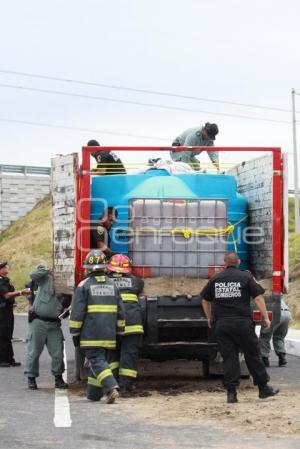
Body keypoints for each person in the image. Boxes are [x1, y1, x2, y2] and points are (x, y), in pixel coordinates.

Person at [200, 252, 279, 403]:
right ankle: (263, 389)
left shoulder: (215, 279)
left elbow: (205, 299)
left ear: (224, 263)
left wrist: (209, 317)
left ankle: (231, 394)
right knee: (252, 354)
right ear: (239, 262)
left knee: (229, 358)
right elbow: (258, 297)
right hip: (242, 324)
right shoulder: (246, 277)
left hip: (222, 325)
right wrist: (266, 317)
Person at [69, 249, 125, 403]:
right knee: (100, 362)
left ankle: (111, 388)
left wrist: (74, 333)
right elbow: (121, 312)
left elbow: (77, 313)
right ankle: (94, 393)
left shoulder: (83, 285)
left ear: (87, 268)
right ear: (105, 267)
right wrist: (120, 332)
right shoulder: (113, 285)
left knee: (95, 359)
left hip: (91, 334)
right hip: (109, 334)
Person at [24, 264, 68, 390]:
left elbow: (66, 314)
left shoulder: (68, 289)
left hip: (54, 324)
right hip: (38, 321)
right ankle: (31, 378)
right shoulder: (46, 278)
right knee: (34, 351)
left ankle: (58, 378)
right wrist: (48, 270)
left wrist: (65, 311)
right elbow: (33, 275)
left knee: (58, 353)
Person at [107, 254, 144, 396]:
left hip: (112, 326)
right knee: (129, 355)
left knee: (112, 355)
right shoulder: (135, 282)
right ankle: (126, 387)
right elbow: (140, 285)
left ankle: (112, 384)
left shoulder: (106, 282)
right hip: (132, 326)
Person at [0, 261, 30, 367]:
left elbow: (10, 294)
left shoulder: (5, 281)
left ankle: (9, 358)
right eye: (3, 268)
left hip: (7, 311)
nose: (5, 269)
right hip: (2, 312)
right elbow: (6, 295)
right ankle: (2, 359)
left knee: (8, 335)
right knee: (3, 335)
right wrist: (21, 292)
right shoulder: (0, 282)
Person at [259, 297, 291, 367]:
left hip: (274, 313)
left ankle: (265, 360)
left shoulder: (262, 294)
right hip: (287, 313)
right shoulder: (277, 291)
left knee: (264, 337)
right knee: (279, 337)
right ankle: (282, 358)